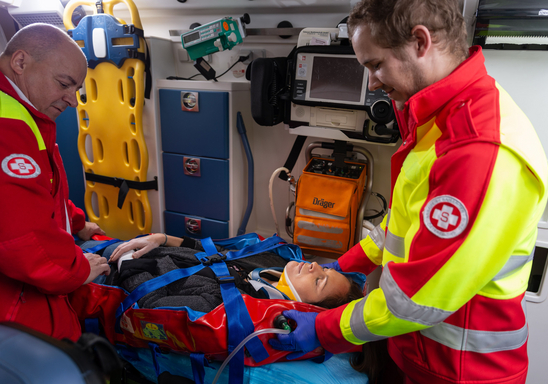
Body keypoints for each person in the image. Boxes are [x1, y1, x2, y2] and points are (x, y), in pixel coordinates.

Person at [269, 1, 548, 384]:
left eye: (375, 65)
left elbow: (416, 300)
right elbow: (404, 225)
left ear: (420, 42)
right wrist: (350, 264)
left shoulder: (477, 150)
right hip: (419, 353)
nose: (374, 83)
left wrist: (322, 330)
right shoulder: (440, 118)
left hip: (462, 370)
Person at [0, 23, 110, 341]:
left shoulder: (24, 113)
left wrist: (76, 222)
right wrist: (76, 270)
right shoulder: (7, 126)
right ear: (20, 62)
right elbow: (21, 240)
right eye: (64, 84)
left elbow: (35, 192)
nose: (72, 100)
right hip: (13, 310)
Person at [105, 233, 364, 312]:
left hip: (114, 276)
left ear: (304, 307)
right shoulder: (271, 261)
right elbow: (216, 251)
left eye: (319, 281)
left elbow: (151, 304)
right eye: (324, 269)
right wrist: (161, 238)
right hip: (143, 247)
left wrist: (129, 260)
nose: (315, 266)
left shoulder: (229, 304)